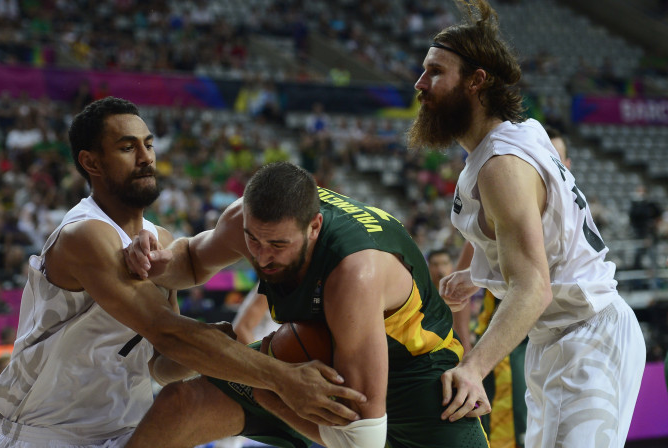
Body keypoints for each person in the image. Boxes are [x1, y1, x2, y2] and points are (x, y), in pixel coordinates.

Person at [0, 97, 362, 448]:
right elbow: (169, 332)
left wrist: (212, 348)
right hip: (47, 433)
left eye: (148, 144)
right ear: (91, 163)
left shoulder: (158, 239)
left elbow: (160, 366)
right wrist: (285, 379)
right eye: (127, 147)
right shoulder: (83, 234)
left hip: (126, 431)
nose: (146, 157)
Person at [409, 1, 647, 446]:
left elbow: (534, 285)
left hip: (585, 331)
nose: (420, 83)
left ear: (477, 81)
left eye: (435, 72)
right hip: (554, 338)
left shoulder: (501, 164)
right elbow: (547, 234)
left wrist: (473, 368)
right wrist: (478, 273)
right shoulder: (519, 135)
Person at [124, 161, 488, 448]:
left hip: (417, 377)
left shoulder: (354, 273)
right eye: (254, 240)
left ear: (314, 227)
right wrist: (159, 263)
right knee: (180, 405)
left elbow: (362, 442)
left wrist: (271, 388)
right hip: (318, 352)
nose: (263, 258)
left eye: (278, 246)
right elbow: (191, 260)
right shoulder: (250, 220)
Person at [450, 127, 574, 447]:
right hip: (508, 340)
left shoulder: (564, 211)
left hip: (558, 333)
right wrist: (465, 347)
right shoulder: (505, 196)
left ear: (565, 165)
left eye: (558, 158)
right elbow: (464, 284)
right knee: (517, 429)